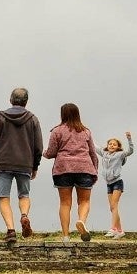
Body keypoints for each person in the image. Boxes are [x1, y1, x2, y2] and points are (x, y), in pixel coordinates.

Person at [0, 87, 44, 243]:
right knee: (24, 195)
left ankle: (11, 230)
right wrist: (35, 166)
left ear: (10, 99)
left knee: (4, 198)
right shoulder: (33, 119)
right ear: (26, 102)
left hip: (3, 163)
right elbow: (38, 147)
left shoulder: (2, 117)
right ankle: (24, 215)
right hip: (25, 164)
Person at [43, 103, 100, 242]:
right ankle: (81, 221)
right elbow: (93, 153)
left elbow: (51, 153)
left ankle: (66, 236)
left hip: (63, 169)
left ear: (62, 114)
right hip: (84, 168)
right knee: (84, 201)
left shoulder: (57, 131)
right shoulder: (86, 131)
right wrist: (95, 171)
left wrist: (44, 153)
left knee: (65, 203)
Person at [100, 131, 134, 238]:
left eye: (114, 144)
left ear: (118, 147)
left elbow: (130, 151)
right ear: (107, 145)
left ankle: (113, 229)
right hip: (108, 183)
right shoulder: (104, 153)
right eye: (110, 144)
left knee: (114, 205)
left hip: (117, 183)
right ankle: (120, 231)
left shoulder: (120, 154)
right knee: (112, 208)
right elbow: (94, 146)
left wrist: (129, 139)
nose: (112, 145)